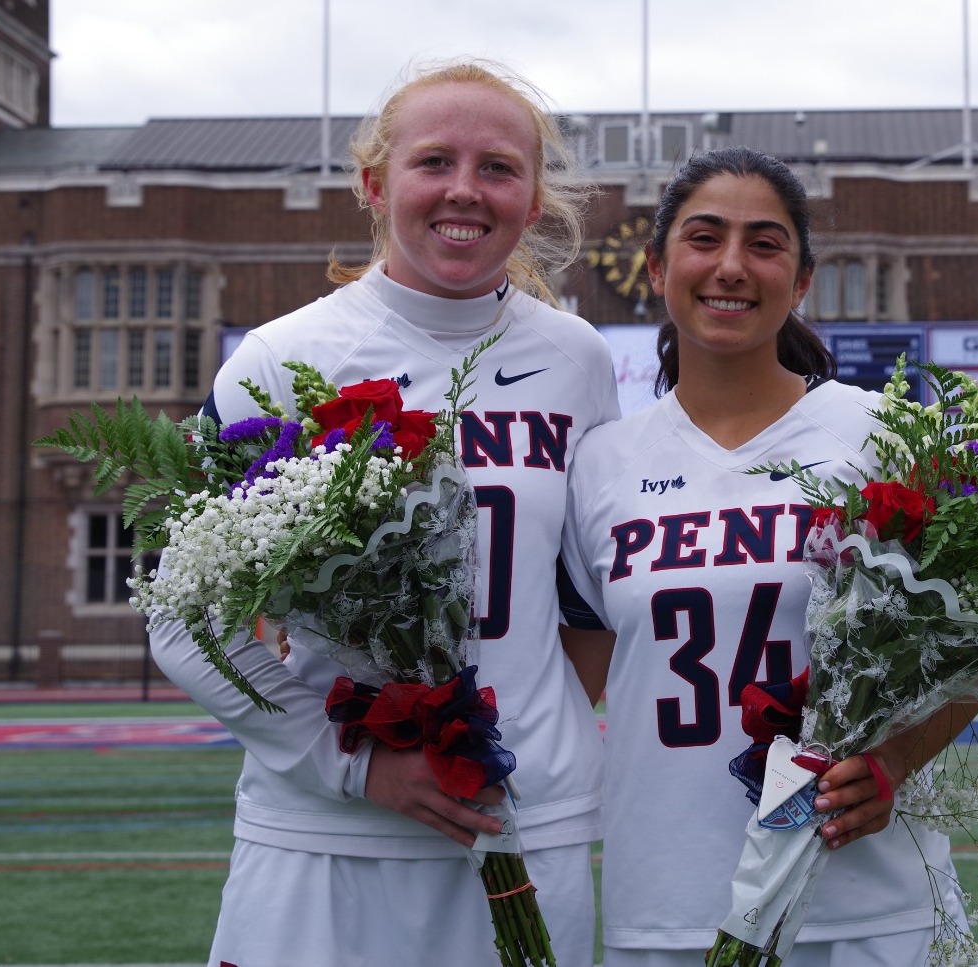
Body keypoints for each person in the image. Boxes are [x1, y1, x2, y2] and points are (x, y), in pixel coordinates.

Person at [149, 58, 617, 967]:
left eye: (498, 168)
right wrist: (354, 761)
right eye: (434, 161)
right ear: (374, 183)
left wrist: (516, 734)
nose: (464, 191)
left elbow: (587, 601)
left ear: (531, 198)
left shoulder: (578, 359)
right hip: (322, 835)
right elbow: (184, 617)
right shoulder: (281, 359)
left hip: (524, 827)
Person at [559, 146, 978, 967]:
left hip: (862, 901)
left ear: (802, 277)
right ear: (655, 266)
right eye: (704, 237)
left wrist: (893, 759)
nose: (731, 267)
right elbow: (573, 686)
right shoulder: (600, 463)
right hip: (666, 900)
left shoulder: (885, 434)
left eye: (763, 243)